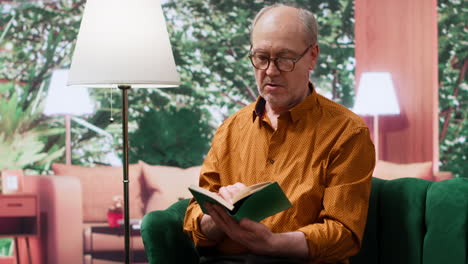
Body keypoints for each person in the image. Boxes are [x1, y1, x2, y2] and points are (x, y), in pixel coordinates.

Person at [183, 3, 375, 264]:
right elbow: (194, 218)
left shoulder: (347, 132)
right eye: (261, 58)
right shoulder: (230, 129)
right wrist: (219, 217)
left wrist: (272, 244)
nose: (271, 71)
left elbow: (343, 234)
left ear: (312, 56)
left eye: (285, 59)